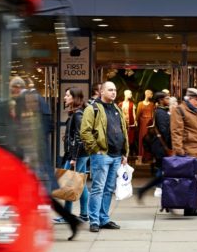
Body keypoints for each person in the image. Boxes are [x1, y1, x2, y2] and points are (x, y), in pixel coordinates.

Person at [10, 77, 81, 240]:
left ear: (16, 88)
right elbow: (48, 126)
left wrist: (29, 152)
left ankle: (34, 225)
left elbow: (25, 129)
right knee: (42, 195)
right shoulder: (39, 99)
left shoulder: (24, 100)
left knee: (36, 193)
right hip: (38, 153)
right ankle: (70, 221)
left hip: (34, 156)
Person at [80, 81, 129, 233]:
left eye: (115, 90)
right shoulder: (92, 108)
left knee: (109, 189)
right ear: (101, 92)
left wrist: (124, 153)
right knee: (98, 188)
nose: (113, 92)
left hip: (116, 156)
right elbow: (85, 132)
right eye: (110, 90)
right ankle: (94, 220)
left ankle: (104, 218)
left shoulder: (117, 108)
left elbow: (123, 130)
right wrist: (95, 150)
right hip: (101, 155)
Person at [54, 87, 90, 224]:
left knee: (70, 183)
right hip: (78, 154)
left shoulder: (78, 114)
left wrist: (73, 157)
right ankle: (83, 214)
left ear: (74, 98)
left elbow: (81, 136)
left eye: (67, 95)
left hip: (77, 155)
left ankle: (68, 215)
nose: (64, 97)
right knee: (79, 183)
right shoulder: (76, 113)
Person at [170, 87, 197, 217]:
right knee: (190, 182)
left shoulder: (194, 111)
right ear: (190, 99)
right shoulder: (179, 110)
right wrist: (179, 151)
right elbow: (176, 132)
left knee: (195, 181)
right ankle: (186, 206)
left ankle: (190, 207)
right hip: (187, 152)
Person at [137, 92, 172, 200]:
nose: (169, 99)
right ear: (161, 100)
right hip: (162, 146)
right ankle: (157, 188)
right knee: (162, 168)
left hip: (162, 145)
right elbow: (163, 130)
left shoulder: (163, 111)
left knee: (163, 168)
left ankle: (149, 189)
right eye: (167, 98)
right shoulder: (161, 112)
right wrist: (170, 146)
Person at [136, 89, 155, 162]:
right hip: (143, 123)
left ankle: (148, 156)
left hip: (149, 123)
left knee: (149, 139)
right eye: (151, 94)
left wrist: (153, 123)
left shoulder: (152, 104)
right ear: (147, 94)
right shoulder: (140, 104)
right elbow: (138, 114)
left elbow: (153, 115)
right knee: (142, 137)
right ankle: (141, 155)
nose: (152, 95)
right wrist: (136, 122)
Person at [118, 89, 137, 155]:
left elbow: (133, 113)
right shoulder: (121, 104)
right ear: (125, 94)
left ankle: (130, 152)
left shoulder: (132, 104)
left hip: (131, 123)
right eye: (130, 94)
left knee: (131, 138)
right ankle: (123, 152)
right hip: (123, 123)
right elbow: (119, 113)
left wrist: (135, 121)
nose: (131, 95)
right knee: (123, 137)